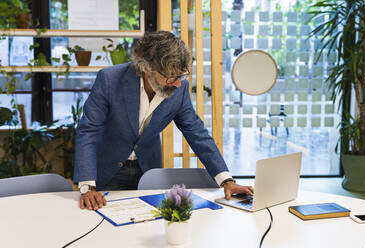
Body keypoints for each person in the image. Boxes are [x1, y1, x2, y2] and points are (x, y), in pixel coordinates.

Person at [74, 31, 254, 210]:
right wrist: (88, 186)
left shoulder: (179, 88)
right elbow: (89, 130)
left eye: (181, 75)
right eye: (171, 77)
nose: (177, 83)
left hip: (148, 172)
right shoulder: (110, 79)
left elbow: (197, 133)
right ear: (146, 68)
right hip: (108, 170)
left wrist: (227, 181)